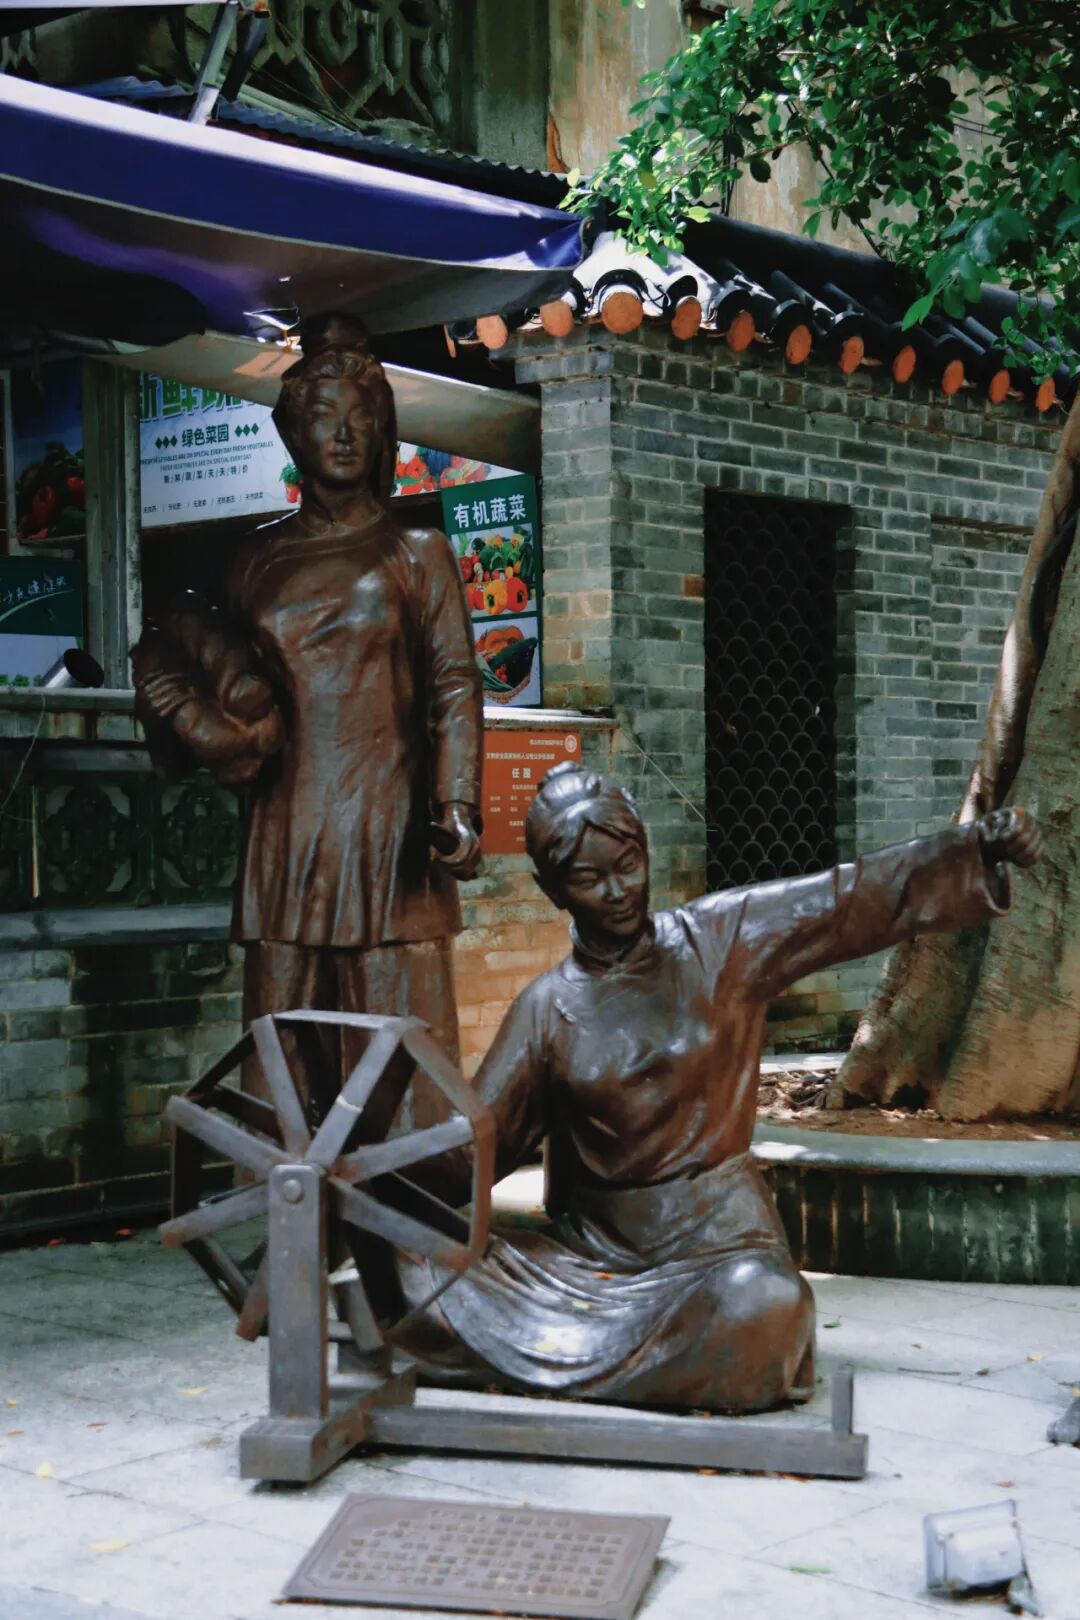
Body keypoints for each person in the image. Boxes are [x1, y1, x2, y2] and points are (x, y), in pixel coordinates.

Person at [401, 764, 1043, 1413]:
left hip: (721, 1249)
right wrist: (374, 1172)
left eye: (628, 865)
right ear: (552, 889)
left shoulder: (718, 939)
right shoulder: (545, 1009)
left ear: (646, 849)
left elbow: (846, 900)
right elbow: (476, 1146)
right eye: (588, 880)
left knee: (765, 1308)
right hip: (589, 1263)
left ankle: (566, 1359)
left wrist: (972, 848)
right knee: (414, 1272)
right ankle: (629, 1363)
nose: (618, 891)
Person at [132, 315, 483, 1130]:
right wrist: (185, 711)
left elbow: (454, 686)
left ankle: (411, 1195)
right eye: (324, 415)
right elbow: (211, 672)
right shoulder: (253, 560)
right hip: (287, 825)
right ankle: (289, 1186)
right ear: (293, 432)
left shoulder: (418, 551)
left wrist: (457, 803)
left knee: (397, 1033)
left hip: (388, 826)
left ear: (384, 428)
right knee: (283, 1035)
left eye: (362, 415)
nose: (344, 433)